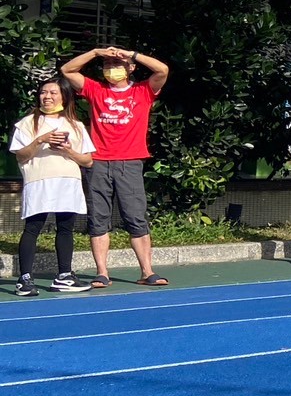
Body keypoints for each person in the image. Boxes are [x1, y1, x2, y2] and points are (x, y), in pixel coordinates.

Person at [61, 45, 170, 288]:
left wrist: (131, 54)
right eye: (108, 65)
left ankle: (147, 271)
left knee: (136, 217)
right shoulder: (96, 90)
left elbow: (162, 70)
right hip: (98, 161)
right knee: (98, 218)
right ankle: (102, 273)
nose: (111, 68)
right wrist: (96, 53)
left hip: (130, 162)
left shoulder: (143, 91)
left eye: (117, 65)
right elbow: (67, 70)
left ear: (131, 68)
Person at [9, 79, 95, 295]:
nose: (47, 96)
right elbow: (21, 156)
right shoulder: (27, 124)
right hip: (39, 182)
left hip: (68, 182)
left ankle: (64, 275)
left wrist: (68, 150)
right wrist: (40, 140)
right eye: (43, 92)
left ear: (64, 96)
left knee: (65, 228)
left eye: (53, 92)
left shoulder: (75, 126)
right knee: (33, 228)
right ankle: (25, 279)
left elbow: (87, 161)